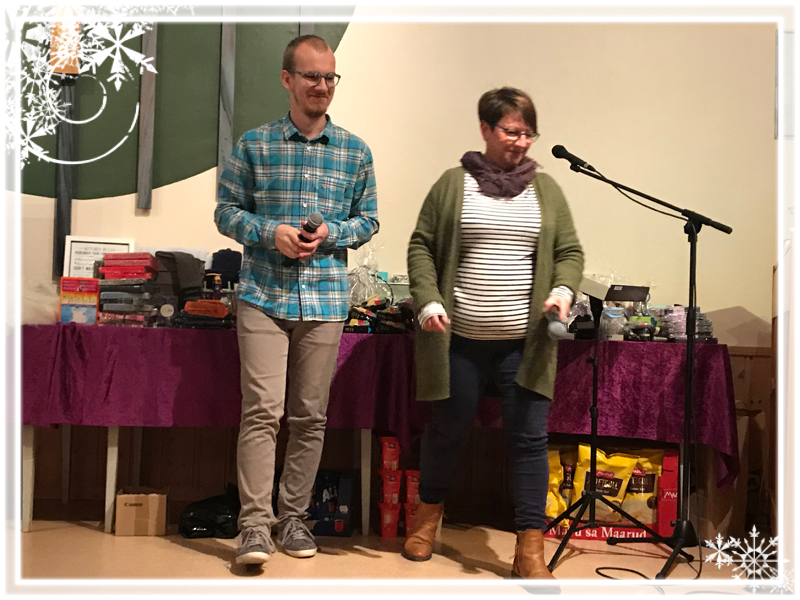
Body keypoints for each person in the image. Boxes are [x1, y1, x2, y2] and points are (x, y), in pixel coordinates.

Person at [404, 87, 583, 579]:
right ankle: (426, 521)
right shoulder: (453, 184)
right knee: (446, 433)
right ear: (485, 129)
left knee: (529, 441)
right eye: (511, 131)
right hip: (458, 342)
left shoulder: (545, 191)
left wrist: (563, 289)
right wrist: (429, 300)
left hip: (524, 347)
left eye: (529, 133)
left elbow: (569, 252)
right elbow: (421, 247)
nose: (521, 142)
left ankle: (530, 549)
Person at [215, 34, 378, 566]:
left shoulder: (355, 151)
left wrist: (330, 233)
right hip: (262, 295)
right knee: (263, 412)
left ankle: (293, 519)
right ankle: (254, 527)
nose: (322, 86)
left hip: (325, 301)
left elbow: (368, 220)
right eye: (312, 76)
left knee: (310, 417)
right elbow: (225, 212)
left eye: (330, 77)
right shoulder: (254, 144)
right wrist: (272, 233)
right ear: (287, 79)